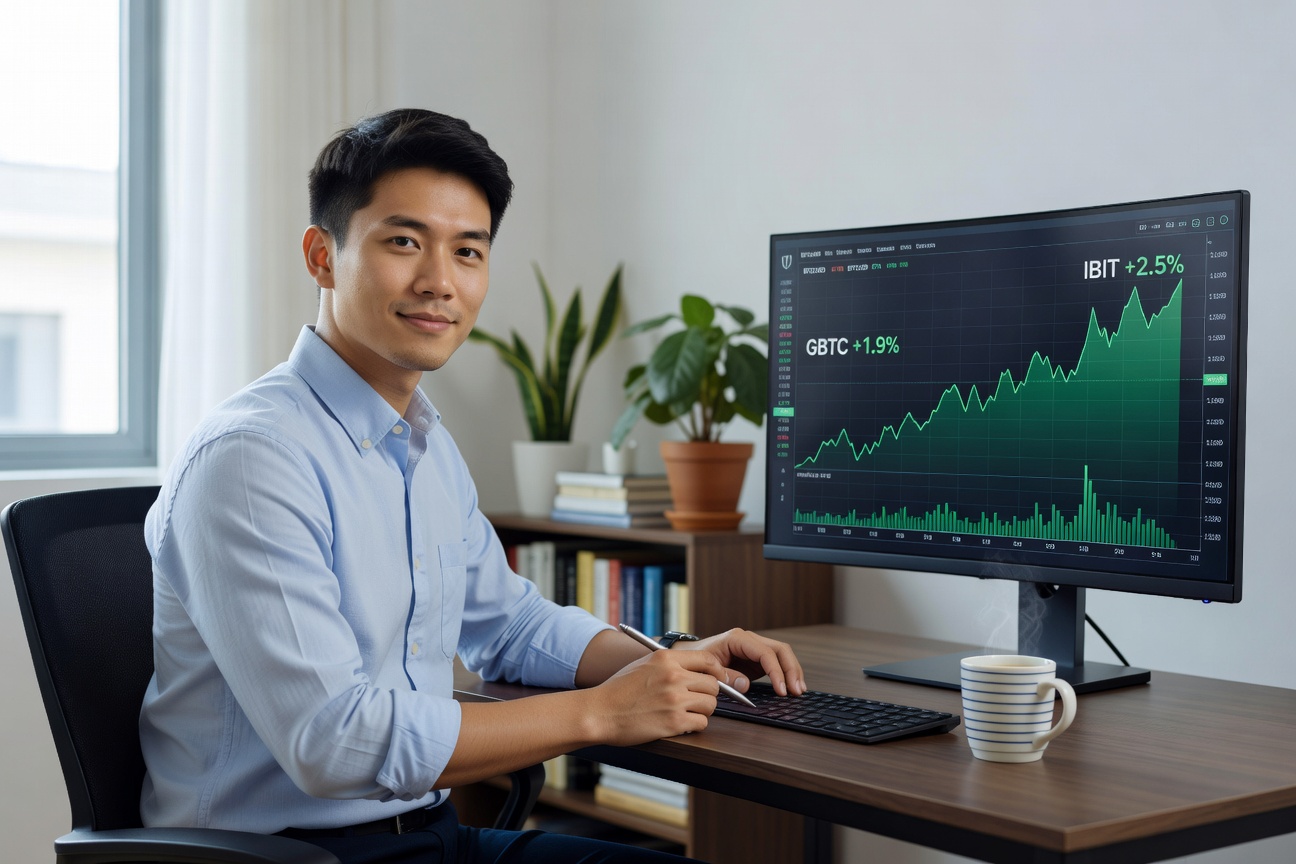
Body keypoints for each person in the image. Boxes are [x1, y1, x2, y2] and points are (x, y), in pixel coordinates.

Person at [139, 107, 807, 864]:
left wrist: (675, 663)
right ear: (322, 256)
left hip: (429, 838)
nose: (439, 282)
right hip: (283, 857)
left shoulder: (422, 443)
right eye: (403, 242)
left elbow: (511, 626)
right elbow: (334, 745)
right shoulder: (253, 460)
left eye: (467, 251)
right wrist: (599, 716)